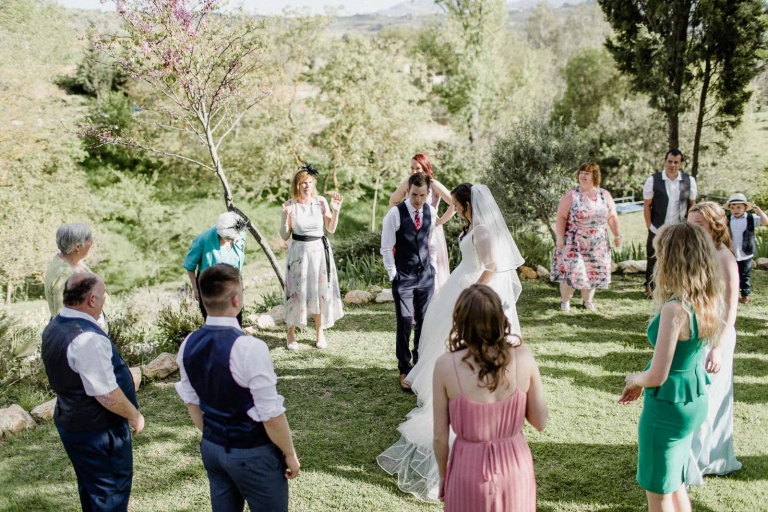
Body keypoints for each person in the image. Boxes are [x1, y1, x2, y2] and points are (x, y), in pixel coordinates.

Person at [377, 183, 525, 503]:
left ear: (468, 204)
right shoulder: (471, 225)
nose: (454, 209)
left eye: (457, 205)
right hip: (458, 284)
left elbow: (493, 267)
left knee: (458, 352)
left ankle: (459, 418)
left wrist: (470, 296)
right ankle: (443, 402)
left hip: (472, 292)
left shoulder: (484, 231)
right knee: (443, 349)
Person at [175, 264, 300, 512]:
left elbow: (191, 400)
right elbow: (271, 415)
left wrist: (215, 436)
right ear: (236, 299)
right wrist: (290, 453)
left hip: (212, 448)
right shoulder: (250, 348)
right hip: (251, 452)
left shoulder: (188, 343)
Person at [619, 222, 724, 512]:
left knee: (659, 493)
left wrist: (634, 378)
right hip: (693, 400)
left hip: (668, 409)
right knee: (675, 481)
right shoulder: (705, 299)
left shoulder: (674, 310)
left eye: (660, 254)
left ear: (672, 258)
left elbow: (658, 374)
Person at [433, 284, 547, 511]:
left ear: (461, 322)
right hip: (514, 468)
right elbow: (540, 422)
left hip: (467, 470)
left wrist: (444, 476)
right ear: (499, 319)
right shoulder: (523, 357)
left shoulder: (445, 366)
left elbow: (439, 437)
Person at [41, 272, 144, 512]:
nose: (105, 300)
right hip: (98, 431)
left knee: (91, 488)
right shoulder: (86, 338)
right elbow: (106, 393)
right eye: (104, 295)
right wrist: (134, 415)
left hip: (72, 422)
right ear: (92, 300)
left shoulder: (54, 325)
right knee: (110, 495)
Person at [687, 202, 742, 484]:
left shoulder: (725, 258)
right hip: (697, 331)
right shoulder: (698, 254)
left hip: (718, 335)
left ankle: (708, 458)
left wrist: (717, 348)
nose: (692, 230)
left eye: (699, 225)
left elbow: (730, 309)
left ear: (715, 227)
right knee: (696, 397)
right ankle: (694, 457)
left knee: (710, 397)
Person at [381, 171, 439, 390]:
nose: (418, 200)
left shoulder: (430, 212)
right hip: (403, 276)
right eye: (415, 195)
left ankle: (419, 363)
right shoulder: (394, 215)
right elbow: (386, 248)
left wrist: (432, 267)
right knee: (405, 321)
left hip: (425, 276)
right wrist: (393, 274)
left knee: (424, 322)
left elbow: (430, 242)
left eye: (422, 195)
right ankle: (404, 368)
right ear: (408, 191)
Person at [280, 164, 344, 350]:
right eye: (302, 183)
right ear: (297, 185)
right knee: (295, 291)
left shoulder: (321, 202)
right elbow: (285, 236)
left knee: (319, 290)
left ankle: (319, 332)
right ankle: (291, 333)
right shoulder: (290, 205)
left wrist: (336, 209)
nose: (306, 186)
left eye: (309, 182)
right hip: (298, 253)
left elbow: (330, 229)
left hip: (318, 252)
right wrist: (286, 217)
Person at [551, 162, 622, 312]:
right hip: (574, 242)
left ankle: (588, 301)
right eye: (581, 172)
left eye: (587, 173)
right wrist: (560, 238)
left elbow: (612, 216)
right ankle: (565, 301)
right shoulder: (572, 195)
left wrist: (617, 235)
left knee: (593, 271)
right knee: (571, 271)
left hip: (597, 243)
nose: (582, 176)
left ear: (594, 176)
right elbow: (561, 217)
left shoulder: (604, 195)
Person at [389, 154, 455, 290]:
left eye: (417, 168)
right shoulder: (408, 183)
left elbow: (454, 203)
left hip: (431, 231)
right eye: (412, 168)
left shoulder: (434, 185)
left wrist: (441, 220)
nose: (414, 171)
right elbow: (393, 201)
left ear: (425, 168)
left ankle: (435, 304)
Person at [642, 149, 698, 297]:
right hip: (658, 227)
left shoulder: (689, 180)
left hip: (680, 227)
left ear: (680, 164)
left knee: (680, 258)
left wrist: (690, 224)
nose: (672, 165)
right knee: (653, 257)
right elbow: (647, 204)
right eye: (670, 161)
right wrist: (650, 226)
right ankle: (650, 288)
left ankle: (677, 288)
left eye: (676, 162)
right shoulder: (653, 180)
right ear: (665, 161)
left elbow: (692, 204)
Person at [184, 212, 247, 324]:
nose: (233, 241)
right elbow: (190, 266)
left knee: (236, 321)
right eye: (229, 238)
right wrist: (196, 289)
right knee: (214, 322)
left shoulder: (239, 232)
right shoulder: (203, 239)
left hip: (233, 281)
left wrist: (240, 284)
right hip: (210, 285)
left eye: (234, 238)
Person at [44, 223, 108, 330]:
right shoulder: (62, 274)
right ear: (77, 247)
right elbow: (62, 316)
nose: (92, 242)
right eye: (88, 239)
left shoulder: (74, 261)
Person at [724, 193, 768, 305]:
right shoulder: (727, 219)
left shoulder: (751, 218)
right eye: (732, 207)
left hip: (746, 253)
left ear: (745, 207)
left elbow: (765, 222)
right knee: (730, 274)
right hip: (731, 252)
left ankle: (745, 294)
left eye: (739, 207)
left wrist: (758, 211)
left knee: (745, 275)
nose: (735, 210)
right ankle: (731, 293)